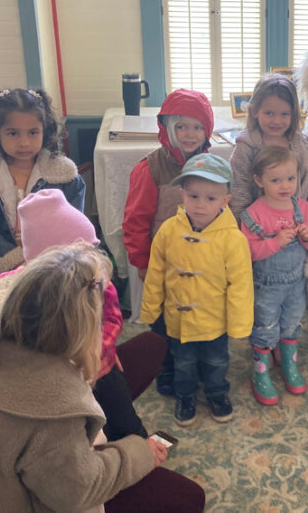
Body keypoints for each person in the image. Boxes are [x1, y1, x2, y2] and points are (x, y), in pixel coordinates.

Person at [0, 243, 161, 512]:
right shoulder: (52, 413)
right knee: (188, 497)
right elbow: (80, 489)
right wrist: (139, 452)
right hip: (58, 496)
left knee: (148, 349)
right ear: (80, 330)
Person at [0, 189, 165, 443]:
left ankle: (137, 443)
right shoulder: (8, 291)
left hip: (98, 367)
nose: (95, 262)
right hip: (52, 381)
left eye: (93, 249)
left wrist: (100, 350)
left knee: (121, 411)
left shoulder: (96, 279)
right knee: (80, 431)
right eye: (85, 255)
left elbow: (112, 319)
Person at [140, 153, 254, 426]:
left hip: (215, 321)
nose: (200, 204)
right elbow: (156, 274)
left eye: (211, 198)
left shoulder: (233, 239)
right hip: (178, 319)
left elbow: (240, 285)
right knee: (183, 362)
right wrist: (150, 309)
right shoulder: (168, 231)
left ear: (225, 200)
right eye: (193, 196)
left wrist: (239, 325)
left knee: (217, 362)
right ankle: (185, 395)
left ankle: (217, 394)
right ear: (182, 194)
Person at [123, 88, 214, 395]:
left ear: (207, 129)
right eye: (181, 126)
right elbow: (135, 221)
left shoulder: (212, 167)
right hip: (164, 264)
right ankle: (166, 367)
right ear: (167, 128)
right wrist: (143, 263)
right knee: (164, 321)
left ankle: (196, 362)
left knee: (199, 314)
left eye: (197, 126)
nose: (189, 134)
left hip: (203, 263)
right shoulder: (150, 169)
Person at [0, 88, 85, 278]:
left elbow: (71, 227)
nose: (24, 142)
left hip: (52, 273)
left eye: (33, 132)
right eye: (13, 133)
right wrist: (16, 265)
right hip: (3, 275)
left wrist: (43, 265)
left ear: (44, 130)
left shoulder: (66, 179)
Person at [239, 147, 308, 405]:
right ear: (259, 180)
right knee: (264, 327)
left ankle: (289, 364)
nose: (285, 186)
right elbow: (247, 251)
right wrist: (274, 243)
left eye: (290, 178)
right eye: (275, 180)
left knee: (291, 324)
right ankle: (260, 373)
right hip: (266, 287)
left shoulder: (303, 209)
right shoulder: (254, 214)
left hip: (296, 284)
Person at [229, 74, 308, 221]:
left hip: (300, 224)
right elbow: (239, 194)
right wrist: (248, 228)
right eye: (269, 113)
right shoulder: (246, 148)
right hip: (259, 227)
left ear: (293, 114)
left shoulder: (302, 144)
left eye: (284, 114)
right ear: (254, 111)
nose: (277, 121)